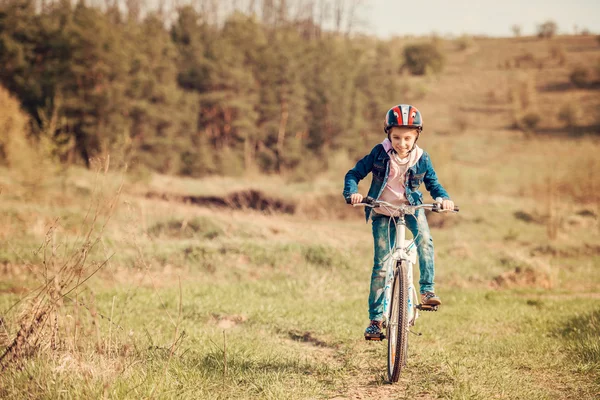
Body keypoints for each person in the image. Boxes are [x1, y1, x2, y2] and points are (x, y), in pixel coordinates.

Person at [342, 104, 454, 340]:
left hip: (411, 209)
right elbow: (354, 174)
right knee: (381, 266)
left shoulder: (422, 159)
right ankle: (376, 320)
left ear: (416, 136)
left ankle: (426, 292)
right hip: (383, 211)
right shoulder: (379, 153)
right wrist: (352, 193)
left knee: (424, 240)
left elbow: (433, 183)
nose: (401, 143)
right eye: (396, 137)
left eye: (407, 138)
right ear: (388, 134)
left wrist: (443, 198)